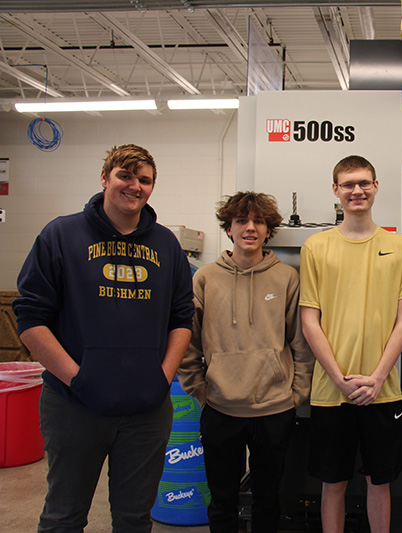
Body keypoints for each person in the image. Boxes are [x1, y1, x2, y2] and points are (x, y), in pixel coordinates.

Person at [13, 144, 195, 532]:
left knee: (133, 519)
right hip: (74, 406)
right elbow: (30, 318)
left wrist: (162, 377)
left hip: (146, 412)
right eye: (125, 176)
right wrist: (77, 378)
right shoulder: (60, 235)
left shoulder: (166, 245)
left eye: (144, 180)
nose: (135, 186)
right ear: (105, 178)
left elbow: (182, 318)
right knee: (64, 515)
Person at [299, 155, 402, 533]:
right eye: (349, 184)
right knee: (332, 482)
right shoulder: (316, 247)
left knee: (379, 481)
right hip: (329, 392)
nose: (357, 190)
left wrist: (375, 378)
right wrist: (340, 379)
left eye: (364, 183)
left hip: (382, 392)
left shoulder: (400, 246)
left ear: (375, 187)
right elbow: (310, 320)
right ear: (335, 190)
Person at [178, 192, 313, 533]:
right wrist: (199, 389)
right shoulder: (205, 278)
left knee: (268, 500)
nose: (250, 228)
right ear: (229, 228)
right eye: (241, 220)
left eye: (259, 221)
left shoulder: (286, 278)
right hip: (221, 409)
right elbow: (187, 342)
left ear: (269, 230)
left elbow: (300, 340)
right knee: (222, 501)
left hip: (275, 409)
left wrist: (297, 393)